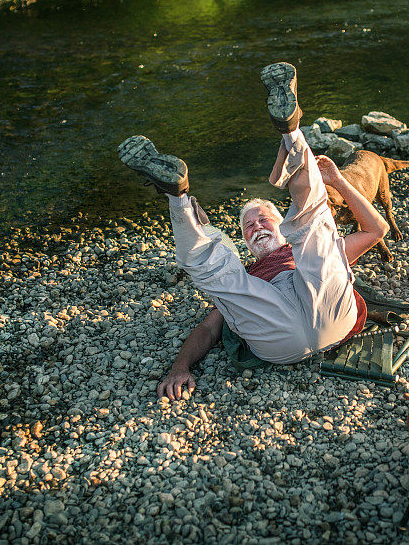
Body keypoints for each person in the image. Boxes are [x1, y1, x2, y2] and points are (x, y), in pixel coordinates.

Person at [117, 62, 389, 400]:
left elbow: (376, 229)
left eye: (263, 220)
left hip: (331, 312)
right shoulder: (247, 275)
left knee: (314, 231)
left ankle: (291, 132)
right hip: (279, 334)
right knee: (215, 272)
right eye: (249, 226)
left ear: (280, 226)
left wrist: (337, 180)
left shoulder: (303, 249)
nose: (257, 227)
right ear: (245, 242)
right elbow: (207, 329)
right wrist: (179, 367)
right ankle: (178, 197)